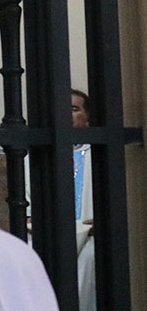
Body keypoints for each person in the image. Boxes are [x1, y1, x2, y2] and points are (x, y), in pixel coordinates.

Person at [71, 89, 96, 311]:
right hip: (48, 231)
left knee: (91, 257)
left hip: (89, 234)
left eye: (74, 109)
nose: (67, 114)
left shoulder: (97, 154)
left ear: (87, 117)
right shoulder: (34, 155)